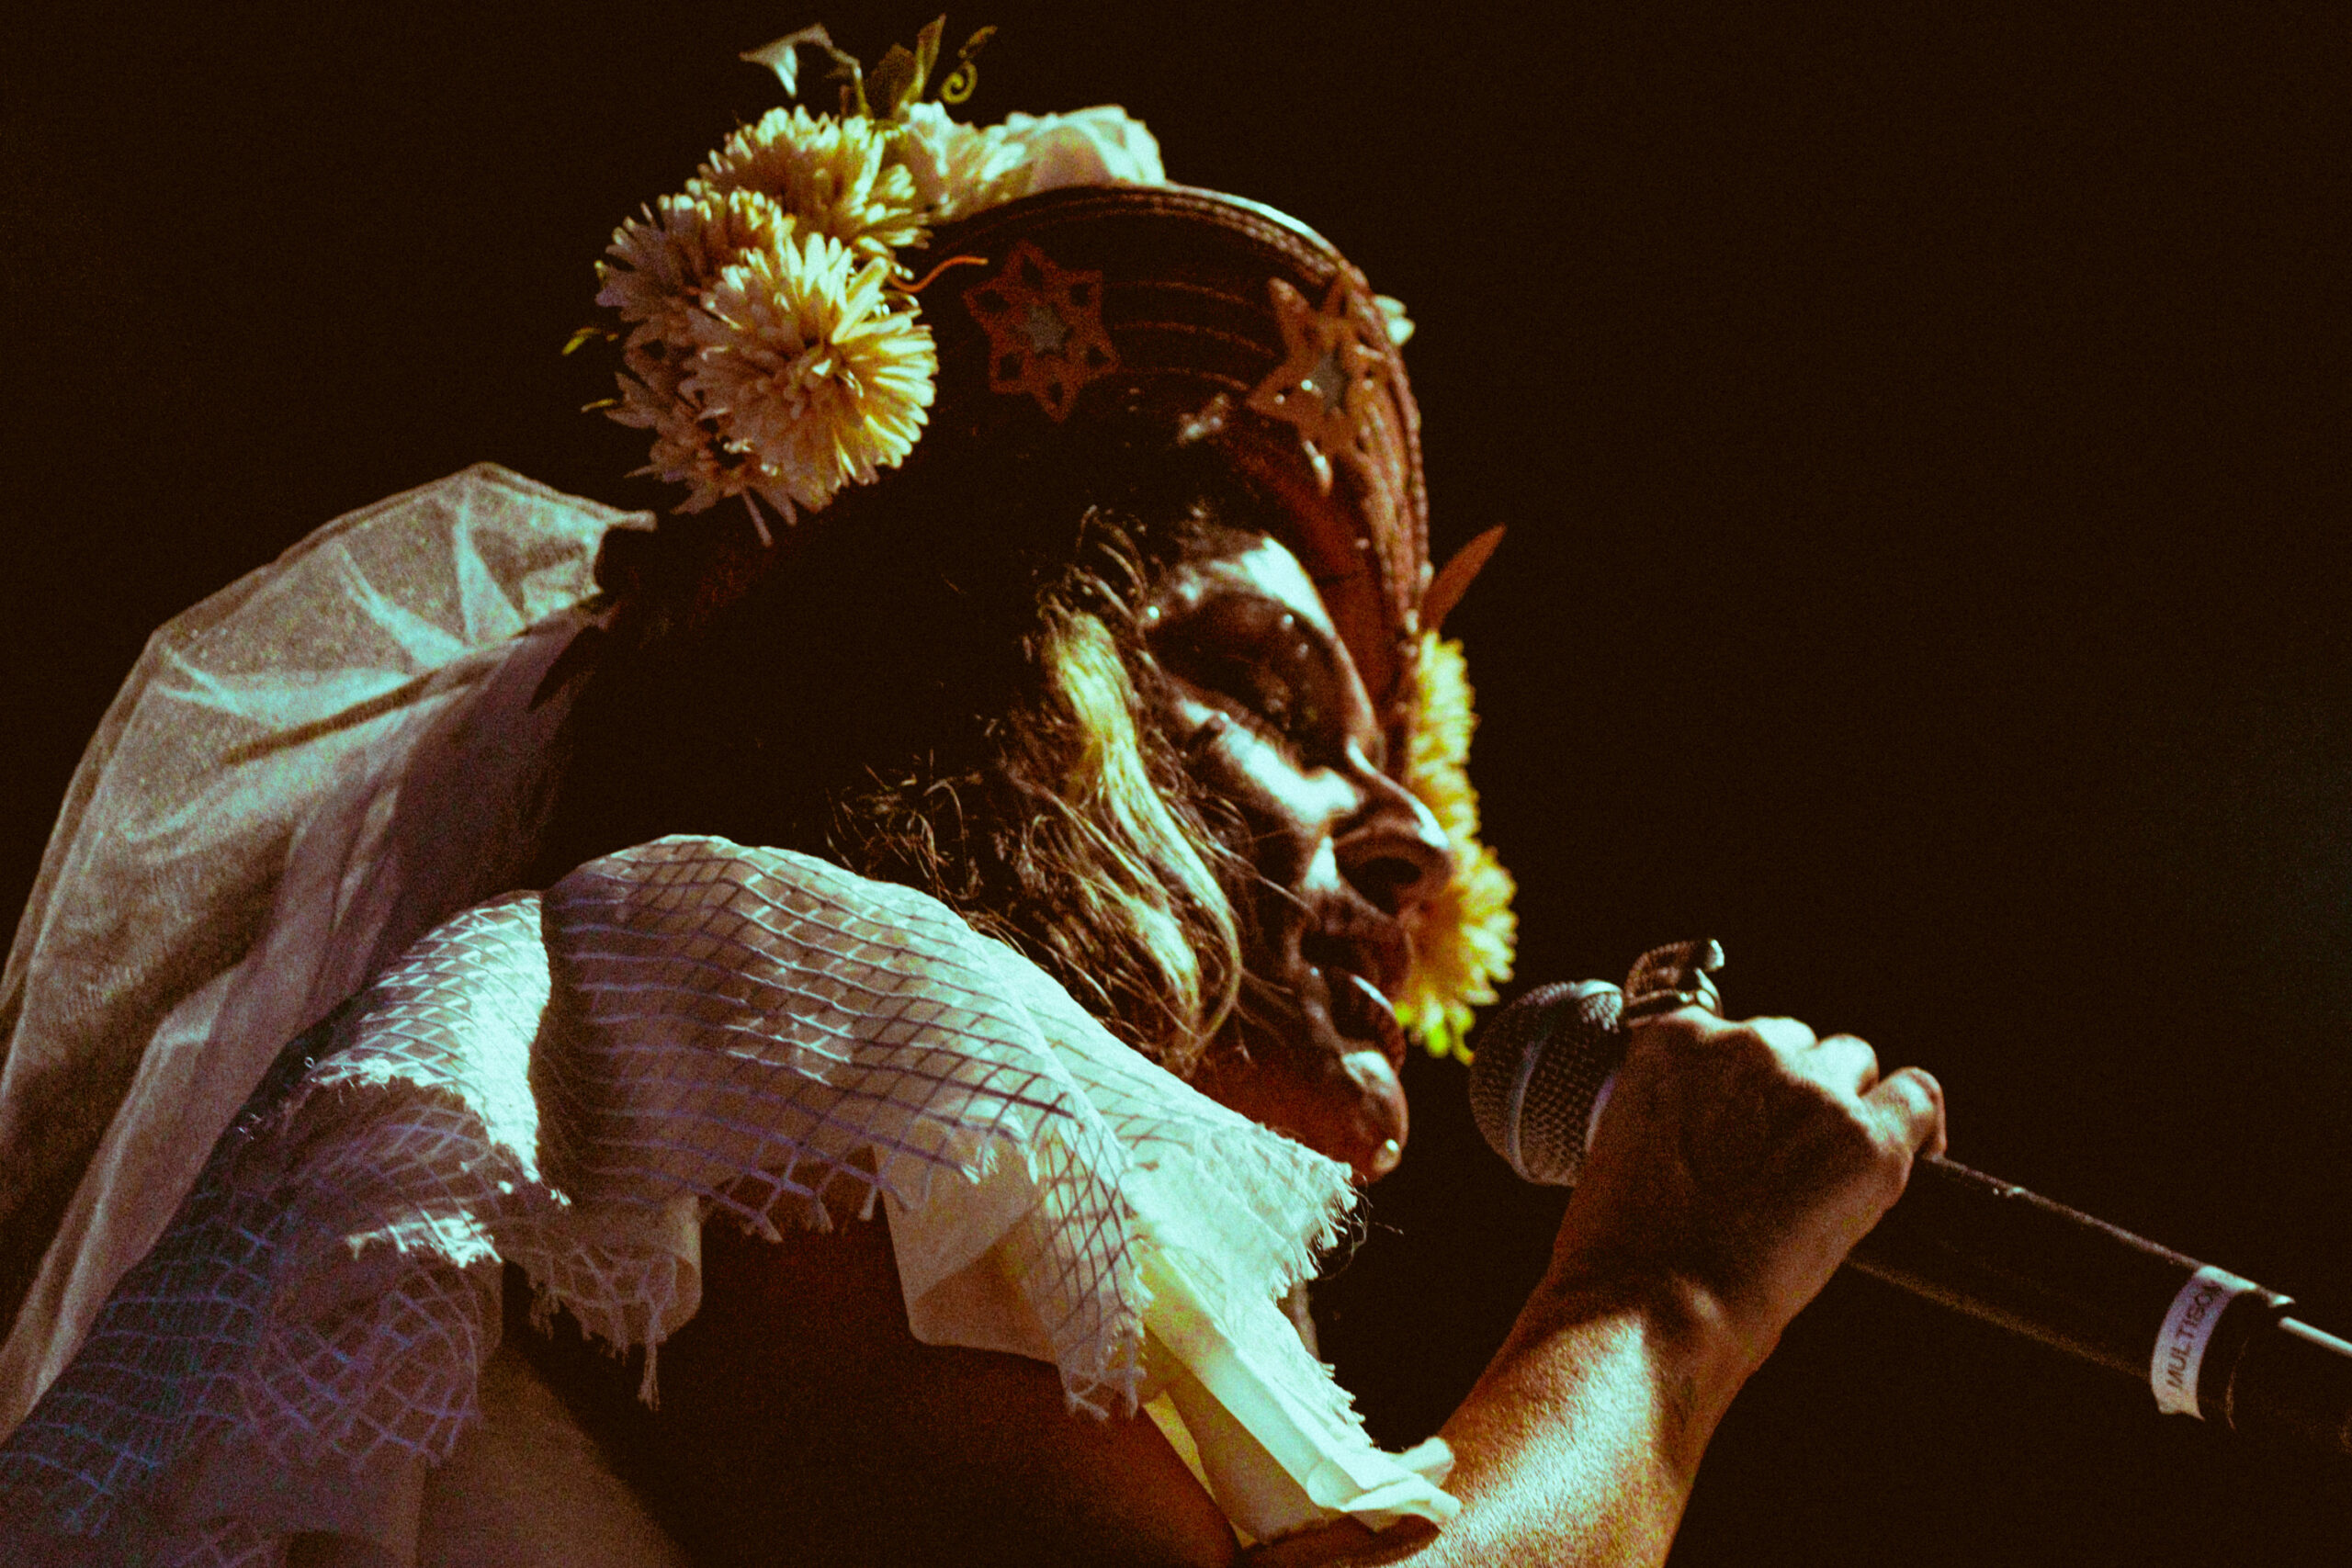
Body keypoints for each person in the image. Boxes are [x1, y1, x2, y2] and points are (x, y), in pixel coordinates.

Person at [0, 28, 1943, 1567]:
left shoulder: (949, 1209)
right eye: (1266, 686)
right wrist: (1664, 1295)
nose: (1417, 832)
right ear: (987, 694)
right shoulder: (740, 966)